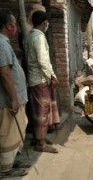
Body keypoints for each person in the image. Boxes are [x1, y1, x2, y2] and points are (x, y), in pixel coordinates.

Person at [25, 10, 59, 153]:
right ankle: (41, 143)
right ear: (44, 23)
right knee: (42, 111)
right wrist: (51, 76)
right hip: (39, 79)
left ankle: (38, 137)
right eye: (46, 23)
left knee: (36, 110)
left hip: (33, 79)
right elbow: (43, 61)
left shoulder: (30, 36)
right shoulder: (39, 37)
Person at [0, 9, 29, 177]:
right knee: (8, 134)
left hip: (13, 98)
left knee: (16, 131)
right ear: (6, 25)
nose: (15, 27)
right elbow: (4, 74)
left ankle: (12, 161)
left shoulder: (5, 43)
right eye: (13, 24)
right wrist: (13, 99)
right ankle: (6, 168)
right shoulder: (2, 44)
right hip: (7, 101)